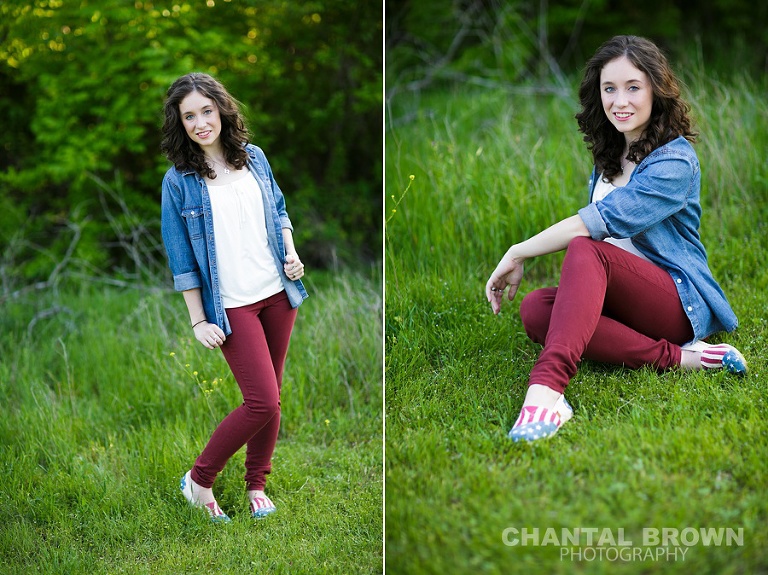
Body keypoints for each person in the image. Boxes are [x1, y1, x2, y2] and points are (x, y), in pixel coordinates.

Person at [484, 35, 746, 443]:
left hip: (674, 302)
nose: (619, 100)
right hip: (622, 296)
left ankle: (547, 393)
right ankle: (682, 358)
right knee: (536, 308)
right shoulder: (610, 155)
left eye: (633, 87)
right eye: (609, 89)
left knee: (588, 249)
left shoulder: (674, 161)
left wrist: (517, 251)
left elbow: (598, 224)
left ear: (656, 90)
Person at [160, 72, 308, 520]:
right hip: (232, 304)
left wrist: (291, 251)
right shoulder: (178, 181)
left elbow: (278, 210)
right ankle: (199, 480)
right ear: (180, 123)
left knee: (273, 397)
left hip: (277, 293)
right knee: (260, 399)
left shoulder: (254, 158)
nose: (201, 122)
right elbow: (181, 258)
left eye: (207, 111)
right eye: (190, 116)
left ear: (221, 109)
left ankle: (256, 484)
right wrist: (198, 319)